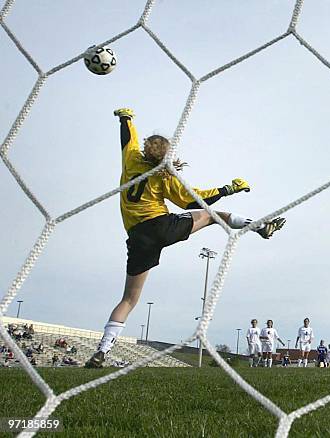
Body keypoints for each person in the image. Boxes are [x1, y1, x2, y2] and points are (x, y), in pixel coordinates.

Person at [85, 108, 286, 368]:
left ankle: (101, 352)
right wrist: (227, 189)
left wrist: (126, 118)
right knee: (213, 215)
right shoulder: (165, 176)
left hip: (137, 238)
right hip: (160, 226)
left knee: (129, 299)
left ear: (146, 149)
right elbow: (192, 200)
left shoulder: (132, 158)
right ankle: (258, 227)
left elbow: (127, 139)